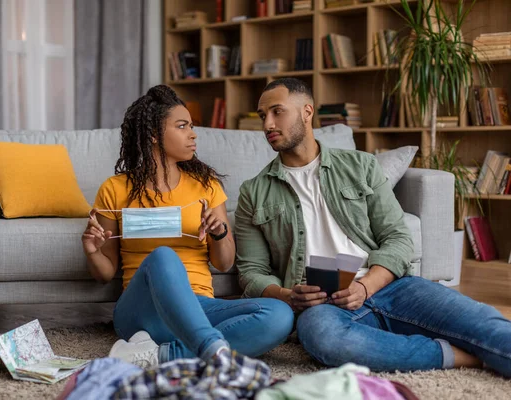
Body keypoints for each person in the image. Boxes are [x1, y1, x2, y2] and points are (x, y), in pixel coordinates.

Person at [234, 77, 511, 377]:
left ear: (307, 111)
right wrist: (288, 296)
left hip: (391, 287)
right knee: (323, 339)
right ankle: (457, 356)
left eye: (277, 112)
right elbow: (251, 273)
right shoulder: (254, 191)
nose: (267, 125)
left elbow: (397, 238)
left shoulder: (361, 166)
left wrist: (366, 286)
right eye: (263, 116)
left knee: (484, 323)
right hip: (323, 308)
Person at [82, 84, 293, 368]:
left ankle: (164, 356)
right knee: (163, 255)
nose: (193, 134)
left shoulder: (206, 187)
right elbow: (105, 274)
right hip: (143, 313)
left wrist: (219, 232)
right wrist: (94, 252)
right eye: (182, 126)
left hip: (200, 307)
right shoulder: (115, 189)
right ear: (153, 135)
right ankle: (212, 350)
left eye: (191, 126)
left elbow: (224, 262)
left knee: (280, 314)